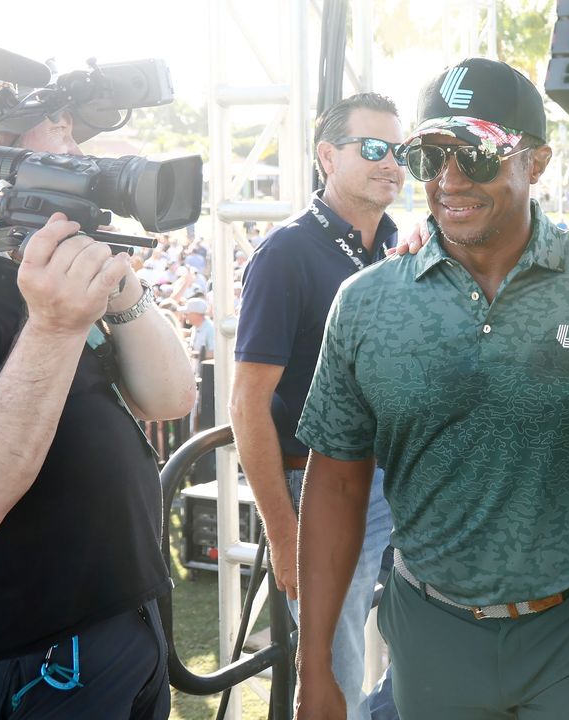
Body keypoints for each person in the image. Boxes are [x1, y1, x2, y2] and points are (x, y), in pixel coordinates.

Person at [293, 57, 569, 720]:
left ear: (536, 162)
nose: (449, 180)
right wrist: (315, 672)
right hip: (432, 628)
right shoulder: (364, 304)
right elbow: (334, 482)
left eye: (475, 155)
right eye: (428, 156)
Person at [0, 99, 197, 717]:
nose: (79, 153)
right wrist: (53, 328)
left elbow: (171, 397)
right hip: (21, 659)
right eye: (59, 134)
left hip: (122, 623)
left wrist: (120, 284)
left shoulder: (16, 260)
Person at [229, 92, 403, 720]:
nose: (392, 163)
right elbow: (246, 404)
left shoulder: (393, 248)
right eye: (374, 148)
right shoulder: (286, 254)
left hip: (399, 481)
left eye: (399, 150)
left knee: (433, 636)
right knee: (334, 674)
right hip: (322, 486)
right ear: (328, 155)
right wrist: (282, 533)